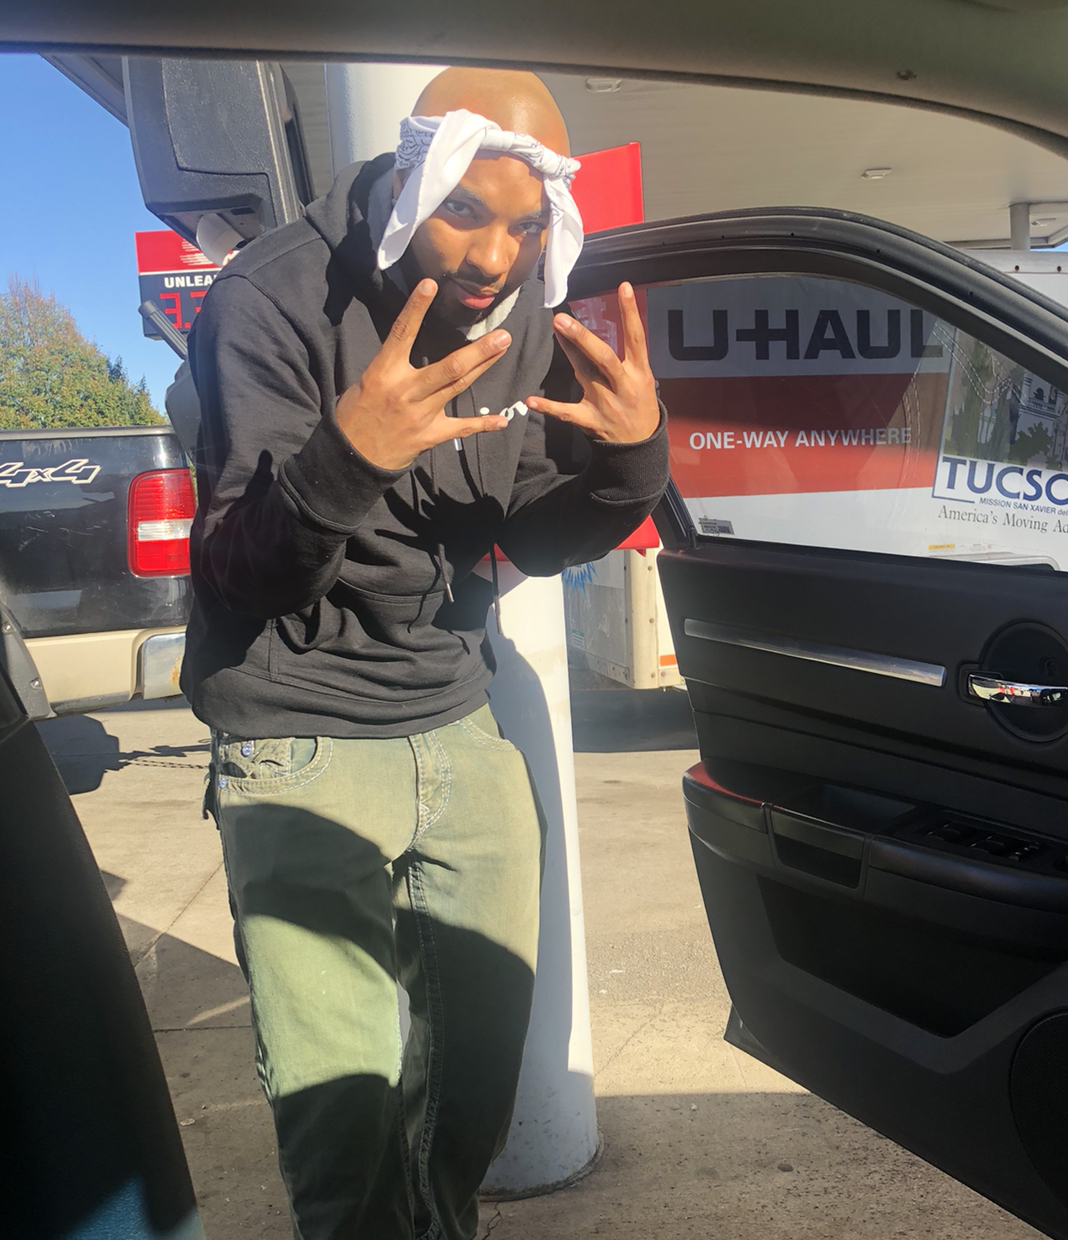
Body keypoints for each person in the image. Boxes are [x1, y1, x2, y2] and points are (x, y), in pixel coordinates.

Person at [184, 67, 668, 1240]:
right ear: (414, 178)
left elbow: (529, 535)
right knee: (344, 1120)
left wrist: (631, 461)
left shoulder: (516, 313)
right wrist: (348, 456)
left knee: (472, 1088)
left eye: (526, 225)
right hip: (298, 733)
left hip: (456, 711)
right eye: (464, 211)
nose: (494, 257)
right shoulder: (270, 297)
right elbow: (242, 570)